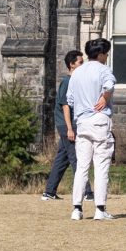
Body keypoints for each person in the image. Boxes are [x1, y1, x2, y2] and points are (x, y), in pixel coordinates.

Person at [66, 36, 117, 221]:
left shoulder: (77, 73)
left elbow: (70, 99)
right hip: (99, 121)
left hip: (82, 123)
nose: (107, 56)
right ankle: (100, 209)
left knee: (82, 167)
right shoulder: (104, 70)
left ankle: (77, 208)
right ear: (101, 54)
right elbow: (110, 85)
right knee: (101, 165)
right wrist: (105, 97)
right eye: (106, 53)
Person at [41, 49, 82, 200]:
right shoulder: (67, 82)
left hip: (69, 124)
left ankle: (49, 192)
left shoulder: (75, 81)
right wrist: (70, 128)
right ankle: (88, 193)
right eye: (80, 62)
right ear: (72, 65)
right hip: (66, 125)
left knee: (62, 158)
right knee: (76, 158)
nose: (82, 65)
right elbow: (65, 106)